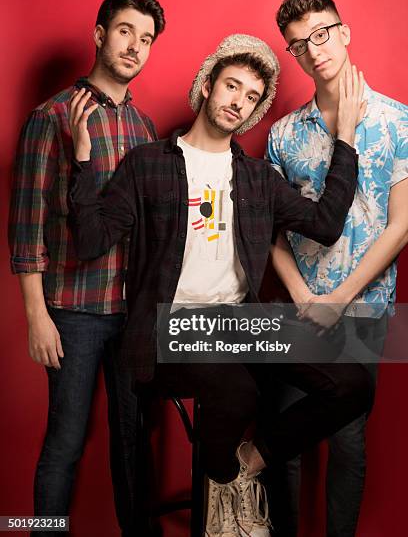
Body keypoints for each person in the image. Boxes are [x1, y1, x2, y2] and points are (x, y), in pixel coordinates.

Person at [67, 33, 374, 537]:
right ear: (208, 86)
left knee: (353, 382)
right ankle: (228, 493)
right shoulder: (148, 165)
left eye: (251, 96)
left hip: (236, 322)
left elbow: (325, 223)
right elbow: (91, 241)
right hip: (170, 329)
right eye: (231, 86)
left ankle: (243, 468)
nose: (238, 102)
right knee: (238, 390)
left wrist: (346, 140)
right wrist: (82, 161)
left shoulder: (256, 179)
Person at [8, 0, 165, 536]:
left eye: (146, 39)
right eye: (126, 31)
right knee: (66, 442)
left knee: (131, 442)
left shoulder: (145, 130)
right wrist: (36, 316)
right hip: (72, 312)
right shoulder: (49, 118)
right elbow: (27, 225)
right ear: (99, 35)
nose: (135, 46)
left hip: (130, 315)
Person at [266, 0, 408, 537]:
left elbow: (400, 225)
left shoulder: (398, 122)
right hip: (299, 306)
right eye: (300, 44)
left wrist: (340, 299)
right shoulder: (283, 134)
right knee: (288, 436)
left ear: (344, 32)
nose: (313, 49)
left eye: (321, 34)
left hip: (362, 308)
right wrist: (305, 297)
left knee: (348, 438)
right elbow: (271, 232)